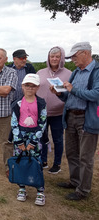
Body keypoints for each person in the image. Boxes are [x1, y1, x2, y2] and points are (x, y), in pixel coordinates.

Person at [51, 42, 99, 201]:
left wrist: (73, 89)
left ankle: (83, 190)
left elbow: (96, 95)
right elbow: (69, 96)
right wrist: (59, 93)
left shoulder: (96, 71)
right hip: (70, 116)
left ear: (85, 53)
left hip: (87, 118)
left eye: (75, 56)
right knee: (72, 153)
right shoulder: (77, 72)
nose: (72, 60)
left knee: (85, 157)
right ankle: (74, 181)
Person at [11, 74, 47, 206]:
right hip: (20, 135)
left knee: (36, 162)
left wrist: (33, 141)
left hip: (35, 138)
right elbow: (14, 123)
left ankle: (40, 191)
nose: (30, 88)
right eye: (27, 85)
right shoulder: (17, 103)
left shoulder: (41, 103)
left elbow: (42, 122)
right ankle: (21, 188)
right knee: (21, 161)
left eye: (33, 86)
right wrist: (19, 141)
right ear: (22, 86)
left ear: (37, 87)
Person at [37, 46, 72, 174]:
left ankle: (57, 163)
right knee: (42, 137)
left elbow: (70, 91)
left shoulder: (68, 74)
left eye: (57, 56)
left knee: (57, 139)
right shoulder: (40, 72)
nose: (54, 59)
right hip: (42, 112)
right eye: (52, 56)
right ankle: (43, 160)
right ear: (48, 58)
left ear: (61, 58)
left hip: (58, 112)